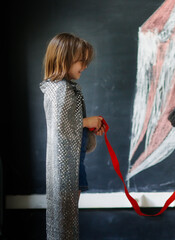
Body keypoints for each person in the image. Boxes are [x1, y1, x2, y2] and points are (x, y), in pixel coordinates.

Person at [40, 33, 105, 240]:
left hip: (71, 161)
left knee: (65, 216)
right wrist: (87, 123)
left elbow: (66, 123)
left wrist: (90, 127)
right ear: (64, 59)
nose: (85, 66)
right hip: (67, 164)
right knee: (66, 217)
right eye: (81, 61)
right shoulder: (62, 89)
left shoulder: (59, 87)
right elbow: (59, 127)